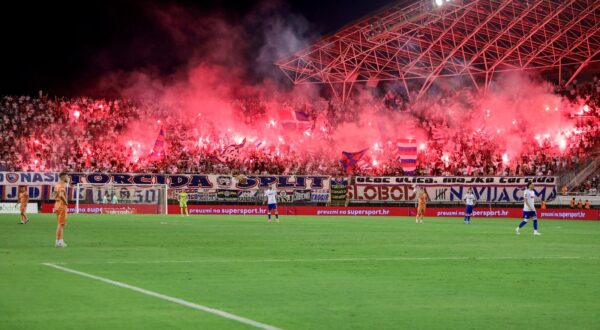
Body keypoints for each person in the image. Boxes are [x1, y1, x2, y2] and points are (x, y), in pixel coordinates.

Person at [54, 172, 69, 247]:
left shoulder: (57, 185)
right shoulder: (63, 185)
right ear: (63, 177)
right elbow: (61, 195)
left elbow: (54, 195)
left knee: (60, 224)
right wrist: (66, 202)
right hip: (62, 205)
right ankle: (58, 242)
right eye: (67, 177)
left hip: (56, 205)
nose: (68, 178)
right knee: (61, 224)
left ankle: (60, 240)